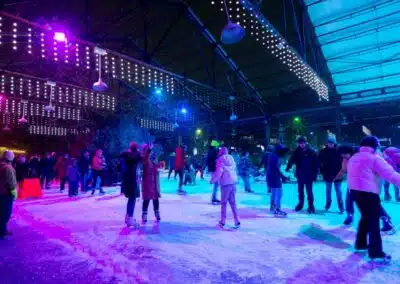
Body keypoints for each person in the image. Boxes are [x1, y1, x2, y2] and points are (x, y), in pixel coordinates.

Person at [347, 136, 400, 261]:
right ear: (375, 146)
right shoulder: (375, 158)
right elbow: (390, 174)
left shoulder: (354, 157)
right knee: (373, 221)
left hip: (355, 192)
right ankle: (375, 252)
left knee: (365, 217)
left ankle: (360, 244)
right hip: (369, 193)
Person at [336, 146, 394, 233]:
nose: (343, 157)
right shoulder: (346, 159)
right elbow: (344, 169)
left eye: (345, 155)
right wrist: (338, 176)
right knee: (349, 199)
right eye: (342, 156)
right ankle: (350, 215)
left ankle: (385, 219)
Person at [286, 137, 319, 213]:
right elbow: (292, 159)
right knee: (300, 191)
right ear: (298, 144)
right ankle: (300, 204)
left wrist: (315, 175)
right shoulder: (297, 151)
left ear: (305, 143)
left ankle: (311, 206)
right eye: (300, 143)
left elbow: (316, 164)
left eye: (303, 143)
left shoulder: (311, 151)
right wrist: (288, 166)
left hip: (309, 175)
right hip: (300, 174)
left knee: (309, 192)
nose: (302, 144)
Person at [211, 147, 240, 228]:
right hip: (233, 183)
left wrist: (213, 180)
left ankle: (223, 221)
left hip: (225, 184)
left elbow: (219, 172)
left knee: (224, 203)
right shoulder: (231, 159)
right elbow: (234, 170)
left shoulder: (220, 160)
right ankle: (237, 220)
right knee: (233, 202)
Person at [319, 138, 344, 213]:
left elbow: (343, 161)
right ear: (327, 143)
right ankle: (328, 203)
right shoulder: (323, 152)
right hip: (327, 174)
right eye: (329, 143)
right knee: (328, 190)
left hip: (338, 174)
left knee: (338, 190)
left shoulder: (339, 151)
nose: (330, 144)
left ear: (334, 144)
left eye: (332, 143)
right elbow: (319, 162)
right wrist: (321, 171)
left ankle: (341, 204)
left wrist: (342, 171)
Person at [120, 142, 142, 227]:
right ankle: (130, 218)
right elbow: (143, 159)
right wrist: (148, 150)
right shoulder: (135, 157)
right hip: (132, 180)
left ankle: (128, 217)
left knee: (131, 199)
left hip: (127, 180)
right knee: (132, 199)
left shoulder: (126, 156)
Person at [267, 144, 289, 216]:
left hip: (271, 176)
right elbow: (275, 168)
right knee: (279, 192)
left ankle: (273, 207)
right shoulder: (275, 156)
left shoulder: (273, 155)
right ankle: (277, 209)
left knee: (274, 192)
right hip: (274, 177)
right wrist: (283, 176)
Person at [141, 144, 161, 224]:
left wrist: (159, 165)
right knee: (147, 199)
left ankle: (157, 213)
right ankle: (144, 215)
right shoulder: (144, 159)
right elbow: (145, 160)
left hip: (154, 182)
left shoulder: (151, 159)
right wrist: (149, 150)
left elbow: (155, 167)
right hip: (147, 182)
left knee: (155, 199)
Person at [0, 150, 17, 239]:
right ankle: (2, 232)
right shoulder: (8, 168)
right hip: (5, 195)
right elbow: (12, 183)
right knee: (5, 214)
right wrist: (14, 194)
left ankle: (3, 230)